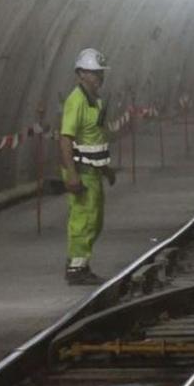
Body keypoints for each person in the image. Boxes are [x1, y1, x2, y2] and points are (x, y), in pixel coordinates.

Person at [60, 47, 119, 285]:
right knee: (82, 220)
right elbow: (65, 138)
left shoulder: (94, 100)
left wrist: (106, 169)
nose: (99, 78)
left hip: (93, 171)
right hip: (81, 171)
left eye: (100, 73)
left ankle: (81, 263)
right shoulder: (76, 101)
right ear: (81, 73)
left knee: (95, 220)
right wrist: (72, 175)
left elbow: (96, 138)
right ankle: (76, 268)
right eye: (94, 73)